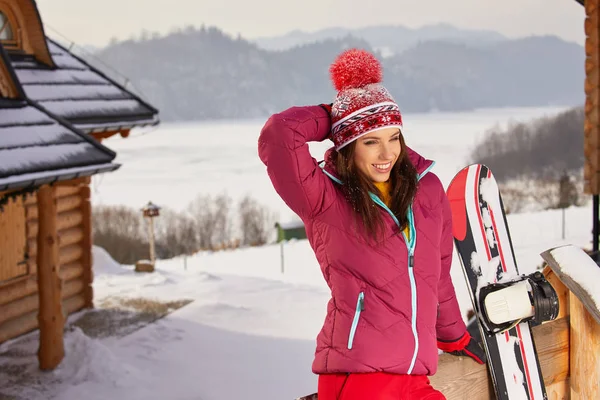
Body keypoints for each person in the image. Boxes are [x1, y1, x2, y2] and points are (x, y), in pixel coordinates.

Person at [258, 48, 485, 400]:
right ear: (348, 145)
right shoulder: (324, 198)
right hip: (358, 376)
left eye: (393, 138)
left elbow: (436, 275)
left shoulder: (427, 190)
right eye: (370, 142)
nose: (386, 154)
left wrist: (455, 336)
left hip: (415, 375)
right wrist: (334, 115)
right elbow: (279, 134)